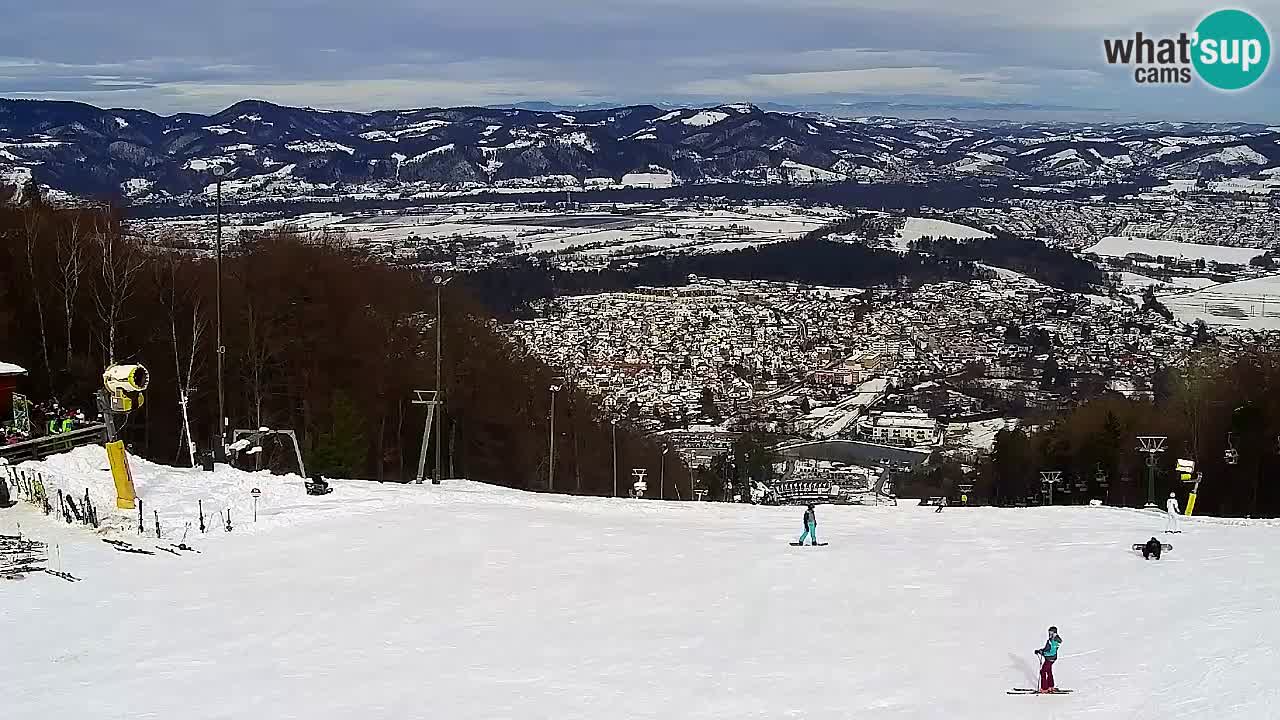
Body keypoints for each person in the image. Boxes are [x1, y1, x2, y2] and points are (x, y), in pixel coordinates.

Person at [1034, 626, 1063, 693]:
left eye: (1051, 632)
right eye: (1049, 632)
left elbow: (1052, 652)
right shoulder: (1051, 639)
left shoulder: (1054, 641)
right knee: (1048, 671)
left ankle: (1044, 688)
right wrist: (1040, 651)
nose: (1049, 633)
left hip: (1050, 658)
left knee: (1043, 671)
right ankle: (1050, 686)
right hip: (1050, 658)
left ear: (1054, 633)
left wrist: (1043, 653)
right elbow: (1047, 648)